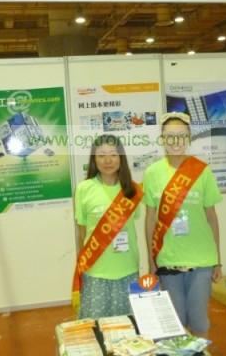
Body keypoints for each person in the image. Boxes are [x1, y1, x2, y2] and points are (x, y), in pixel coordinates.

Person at [143, 112, 223, 338]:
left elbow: (212, 217)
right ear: (162, 139)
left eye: (181, 135)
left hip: (201, 259)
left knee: (199, 321)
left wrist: (217, 260)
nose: (175, 141)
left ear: (189, 138)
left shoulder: (202, 170)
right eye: (170, 136)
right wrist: (151, 261)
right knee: (175, 322)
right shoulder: (152, 173)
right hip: (168, 258)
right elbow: (150, 219)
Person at [72, 134, 144, 319]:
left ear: (121, 157)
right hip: (95, 270)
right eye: (101, 155)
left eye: (113, 154)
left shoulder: (133, 190)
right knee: (95, 326)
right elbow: (82, 233)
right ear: (94, 159)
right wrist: (82, 265)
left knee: (128, 327)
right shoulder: (84, 189)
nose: (108, 160)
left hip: (127, 269)